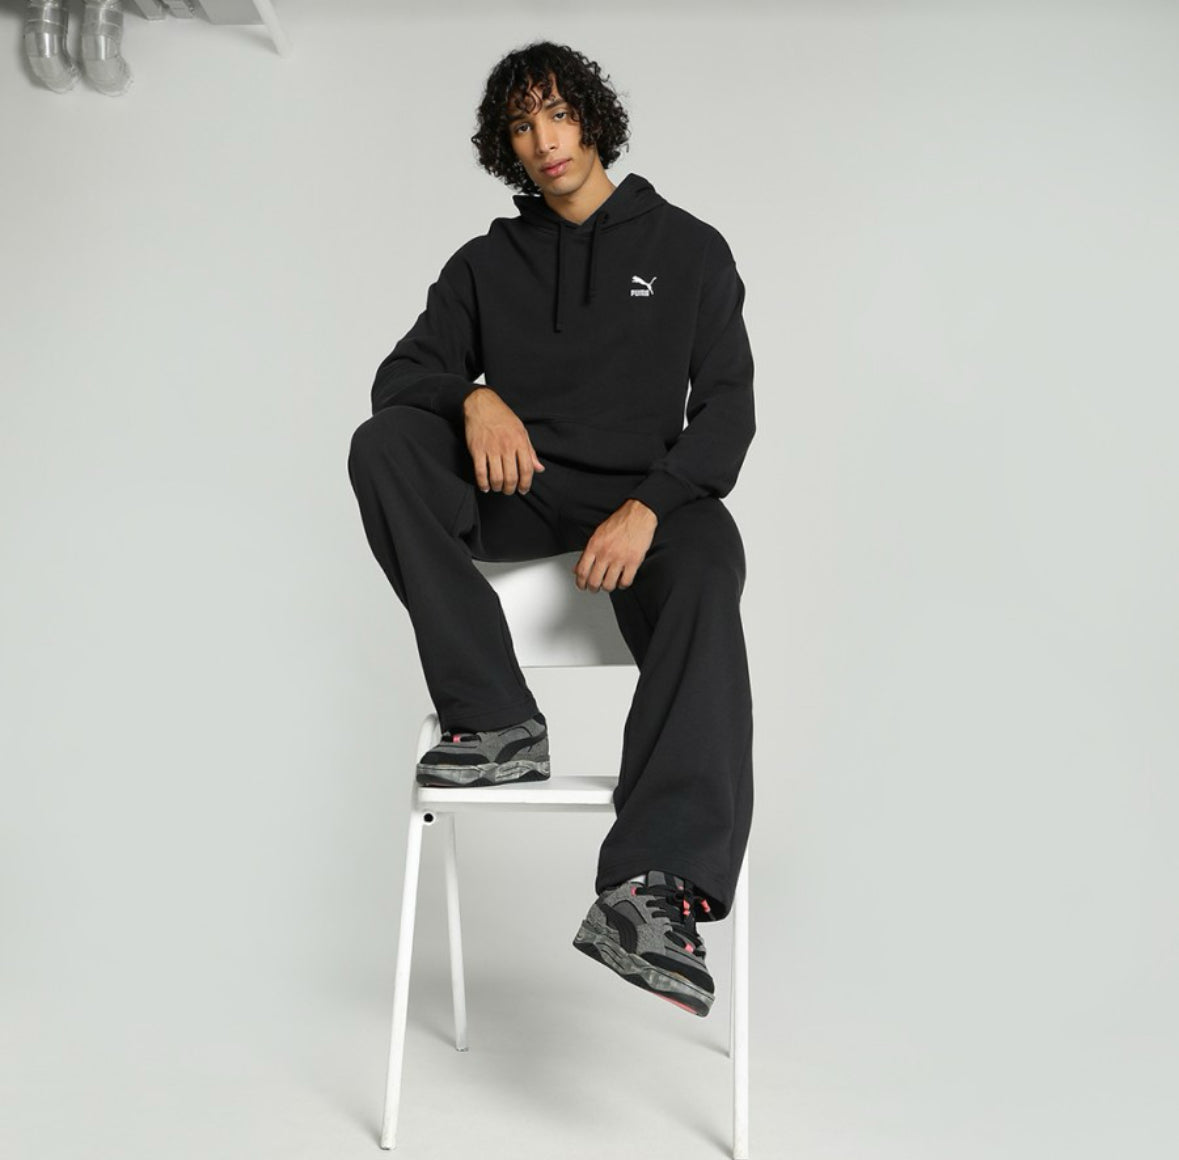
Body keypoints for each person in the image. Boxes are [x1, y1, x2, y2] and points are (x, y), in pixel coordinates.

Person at [347, 40, 755, 1018]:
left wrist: (650, 505)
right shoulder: (486, 264)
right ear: (508, 145)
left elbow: (728, 411)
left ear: (592, 120)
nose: (544, 141)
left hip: (642, 502)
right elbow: (401, 376)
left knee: (710, 558)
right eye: (522, 125)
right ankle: (495, 716)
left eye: (559, 115)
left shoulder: (690, 249)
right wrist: (474, 398)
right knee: (386, 443)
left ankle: (651, 890)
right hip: (522, 489)